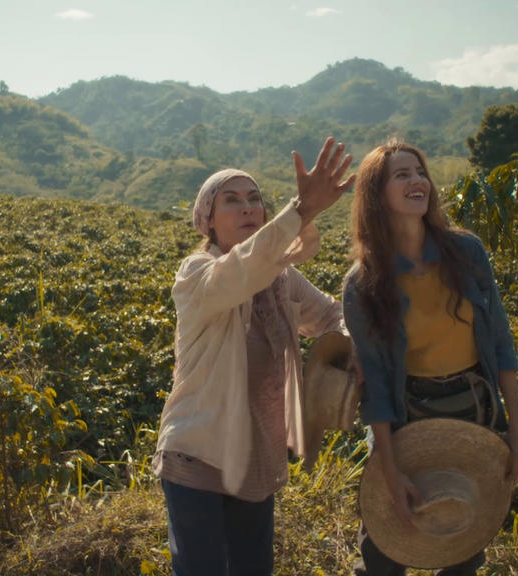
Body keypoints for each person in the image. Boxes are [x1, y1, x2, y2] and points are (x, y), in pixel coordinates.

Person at [154, 138, 357, 576]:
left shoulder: (281, 278)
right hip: (197, 454)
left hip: (256, 460)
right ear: (207, 220)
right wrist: (302, 210)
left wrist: (343, 347)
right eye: (232, 201)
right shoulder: (198, 276)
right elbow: (243, 269)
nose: (248, 208)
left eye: (254, 200)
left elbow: (330, 315)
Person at [342, 140, 518, 576]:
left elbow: (501, 345)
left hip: (475, 410)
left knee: (462, 537)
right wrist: (388, 469)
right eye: (402, 174)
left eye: (420, 172)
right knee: (386, 546)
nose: (417, 181)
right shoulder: (365, 281)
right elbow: (373, 383)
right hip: (408, 414)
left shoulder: (466, 253)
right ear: (377, 194)